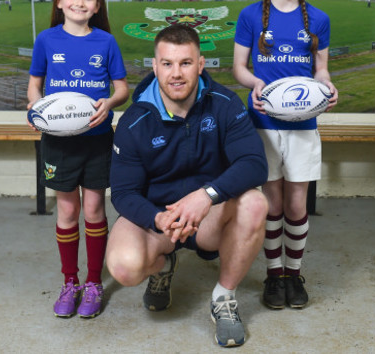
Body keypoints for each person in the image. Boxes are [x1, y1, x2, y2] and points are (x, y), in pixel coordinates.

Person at [106, 24, 268, 347]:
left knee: (255, 203)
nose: (176, 73)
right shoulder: (133, 121)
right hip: (159, 220)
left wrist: (207, 196)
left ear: (201, 64)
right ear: (154, 66)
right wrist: (157, 219)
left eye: (185, 63)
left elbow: (254, 164)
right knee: (123, 266)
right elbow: (123, 193)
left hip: (208, 217)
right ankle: (163, 265)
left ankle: (224, 297)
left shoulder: (225, 104)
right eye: (167, 64)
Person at [232, 0, 339, 310]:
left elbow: (321, 68)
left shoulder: (319, 20)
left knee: (296, 207)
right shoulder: (250, 16)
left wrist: (327, 86)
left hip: (303, 127)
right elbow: (239, 69)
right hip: (261, 124)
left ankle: (294, 274)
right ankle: (273, 275)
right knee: (271, 206)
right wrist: (255, 84)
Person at [27, 0, 129, 319]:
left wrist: (110, 104)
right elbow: (34, 85)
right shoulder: (46, 40)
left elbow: (121, 89)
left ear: (97, 4)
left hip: (97, 140)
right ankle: (69, 282)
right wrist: (34, 106)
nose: (79, 2)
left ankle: (93, 282)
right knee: (68, 210)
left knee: (93, 211)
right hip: (58, 142)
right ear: (59, 1)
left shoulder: (105, 42)